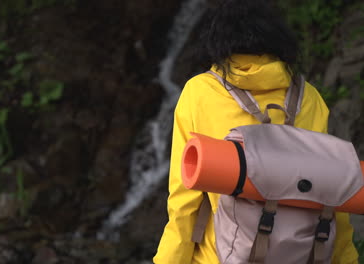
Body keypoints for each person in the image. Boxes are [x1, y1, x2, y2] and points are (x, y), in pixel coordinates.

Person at [153, 0, 358, 263]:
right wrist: (346, 258)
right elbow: (332, 186)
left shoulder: (201, 92)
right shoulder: (309, 98)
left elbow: (184, 196)